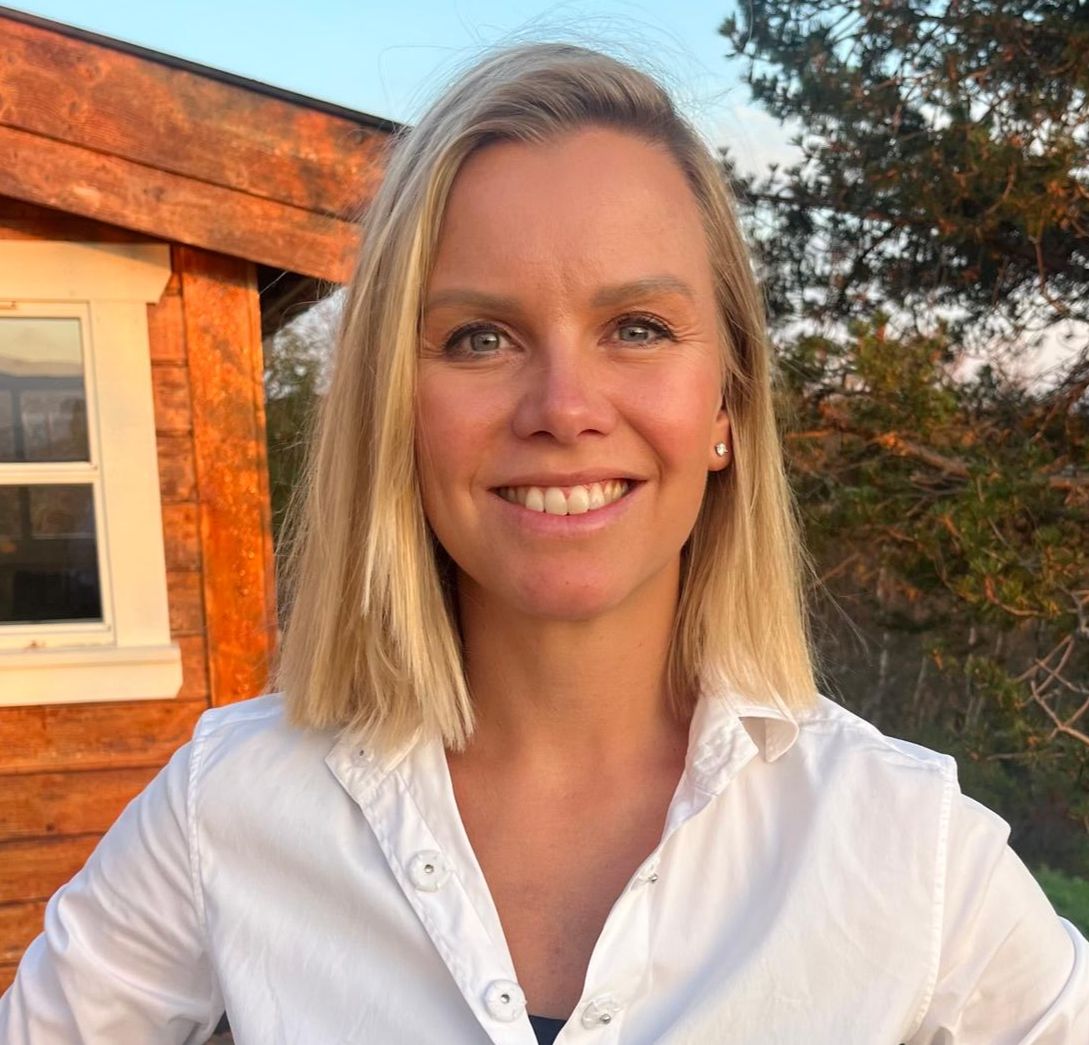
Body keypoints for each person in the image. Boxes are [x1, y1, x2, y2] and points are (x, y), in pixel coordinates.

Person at [1, 43, 1086, 1045]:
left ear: (727, 403)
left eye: (637, 328)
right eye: (480, 337)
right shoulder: (228, 808)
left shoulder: (905, 846)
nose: (564, 407)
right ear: (393, 406)